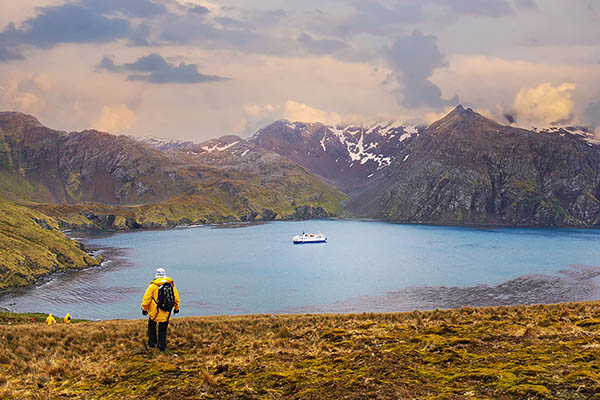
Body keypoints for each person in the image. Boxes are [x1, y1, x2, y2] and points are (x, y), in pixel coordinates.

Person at [141, 267, 180, 351]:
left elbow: (146, 299)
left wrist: (144, 309)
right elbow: (176, 298)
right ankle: (162, 347)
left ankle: (152, 344)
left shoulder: (152, 286)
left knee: (152, 326)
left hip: (154, 312)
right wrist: (177, 308)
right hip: (166, 311)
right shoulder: (171, 285)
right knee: (163, 329)